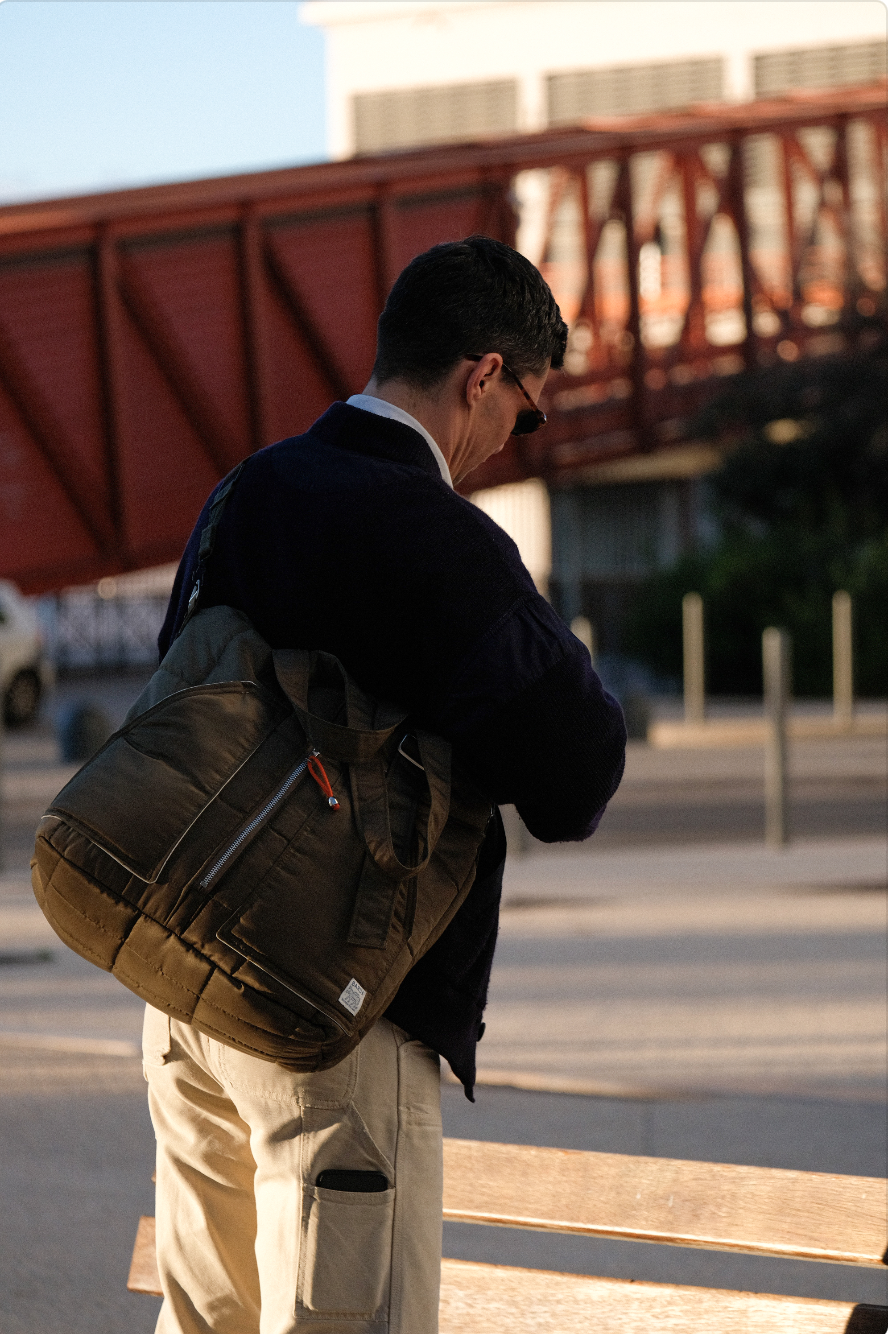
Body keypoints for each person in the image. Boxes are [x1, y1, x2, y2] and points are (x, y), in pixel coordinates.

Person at [145, 235, 626, 1334]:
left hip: (180, 989)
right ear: (484, 375)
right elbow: (576, 775)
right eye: (529, 411)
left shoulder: (246, 491)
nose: (516, 441)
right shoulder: (433, 533)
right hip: (332, 1018)